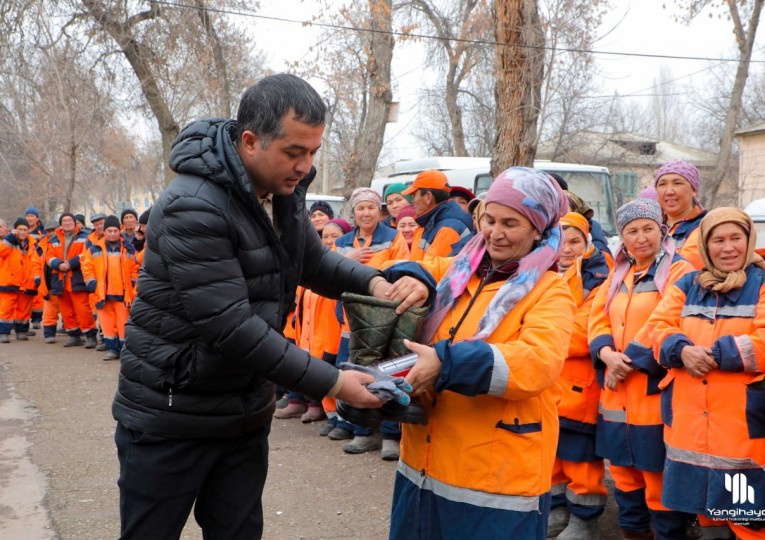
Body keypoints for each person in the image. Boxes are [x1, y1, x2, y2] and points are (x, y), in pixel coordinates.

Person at [112, 73, 429, 540]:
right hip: (172, 413)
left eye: (313, 152)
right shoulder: (193, 206)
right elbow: (232, 327)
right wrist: (337, 383)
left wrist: (377, 283)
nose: (305, 166)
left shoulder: (280, 193)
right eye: (294, 152)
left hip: (243, 408)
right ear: (249, 141)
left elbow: (313, 262)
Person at [388, 167, 576, 539]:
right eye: (489, 219)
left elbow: (537, 363)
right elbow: (412, 268)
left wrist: (447, 362)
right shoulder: (458, 273)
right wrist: (413, 278)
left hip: (495, 482)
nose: (495, 232)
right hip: (423, 468)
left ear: (538, 229)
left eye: (511, 223)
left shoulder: (550, 290)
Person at [645, 208, 765, 540]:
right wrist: (680, 350)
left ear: (748, 240)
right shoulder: (687, 284)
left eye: (735, 239)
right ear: (705, 245)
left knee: (747, 515)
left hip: (741, 426)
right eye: (718, 240)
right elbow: (656, 326)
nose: (727, 248)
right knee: (704, 510)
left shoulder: (763, 281)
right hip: (689, 426)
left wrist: (713, 355)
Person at [588, 199, 694, 540]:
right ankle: (633, 533)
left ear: (661, 230)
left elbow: (664, 319)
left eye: (648, 228)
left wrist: (627, 361)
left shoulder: (679, 270)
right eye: (632, 231)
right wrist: (605, 353)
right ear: (623, 237)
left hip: (653, 390)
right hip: (616, 395)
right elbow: (597, 317)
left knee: (657, 476)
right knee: (622, 475)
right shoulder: (618, 274)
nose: (641, 237)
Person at [331, 187, 410, 458]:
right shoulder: (342, 242)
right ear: (353, 213)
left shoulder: (394, 237)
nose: (366, 213)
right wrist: (347, 259)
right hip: (351, 318)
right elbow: (331, 274)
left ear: (380, 211)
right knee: (356, 371)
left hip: (384, 316)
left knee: (386, 371)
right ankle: (362, 432)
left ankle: (389, 435)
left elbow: (401, 269)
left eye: (371, 207)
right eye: (361, 208)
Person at [549, 212, 610, 539]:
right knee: (552, 453)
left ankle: (585, 518)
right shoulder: (545, 271)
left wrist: (539, 335)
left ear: (588, 242)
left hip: (579, 385)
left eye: (575, 241)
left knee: (580, 457)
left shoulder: (599, 277)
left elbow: (581, 332)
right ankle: (556, 508)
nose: (567, 248)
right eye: (561, 241)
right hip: (549, 382)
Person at [81, 215, 139, 361]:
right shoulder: (94, 248)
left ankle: (125, 351)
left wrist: (133, 284)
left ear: (119, 230)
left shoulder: (128, 248)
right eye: (109, 231)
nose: (112, 233)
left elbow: (135, 268)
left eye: (115, 231)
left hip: (123, 295)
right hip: (103, 295)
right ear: (104, 232)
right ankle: (112, 349)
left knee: (123, 324)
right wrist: (92, 284)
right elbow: (87, 267)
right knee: (107, 326)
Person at [46, 213, 97, 349]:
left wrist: (70, 264)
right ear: (61, 224)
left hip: (77, 277)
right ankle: (74, 336)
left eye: (70, 220)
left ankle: (90, 336)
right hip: (60, 278)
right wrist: (58, 264)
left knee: (83, 309)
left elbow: (85, 254)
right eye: (64, 220)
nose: (67, 222)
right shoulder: (54, 238)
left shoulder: (85, 237)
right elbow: (49, 256)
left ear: (75, 223)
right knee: (66, 310)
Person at [402, 169, 475, 261]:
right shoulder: (434, 223)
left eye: (414, 196)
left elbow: (430, 272)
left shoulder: (448, 229)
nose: (413, 201)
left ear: (428, 197)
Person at [654, 160, 706, 269]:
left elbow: (684, 267)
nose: (669, 192)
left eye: (677, 183)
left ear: (693, 190)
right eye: (662, 184)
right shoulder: (652, 227)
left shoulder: (705, 228)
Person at [0, 218, 40, 343]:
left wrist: (37, 276)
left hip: (27, 281)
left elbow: (36, 262)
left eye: (25, 229)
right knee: (6, 309)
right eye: (20, 229)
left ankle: (21, 331)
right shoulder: (9, 241)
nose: (22, 232)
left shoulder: (33, 243)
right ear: (15, 230)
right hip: (9, 280)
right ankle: (3, 332)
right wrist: (10, 238)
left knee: (24, 309)